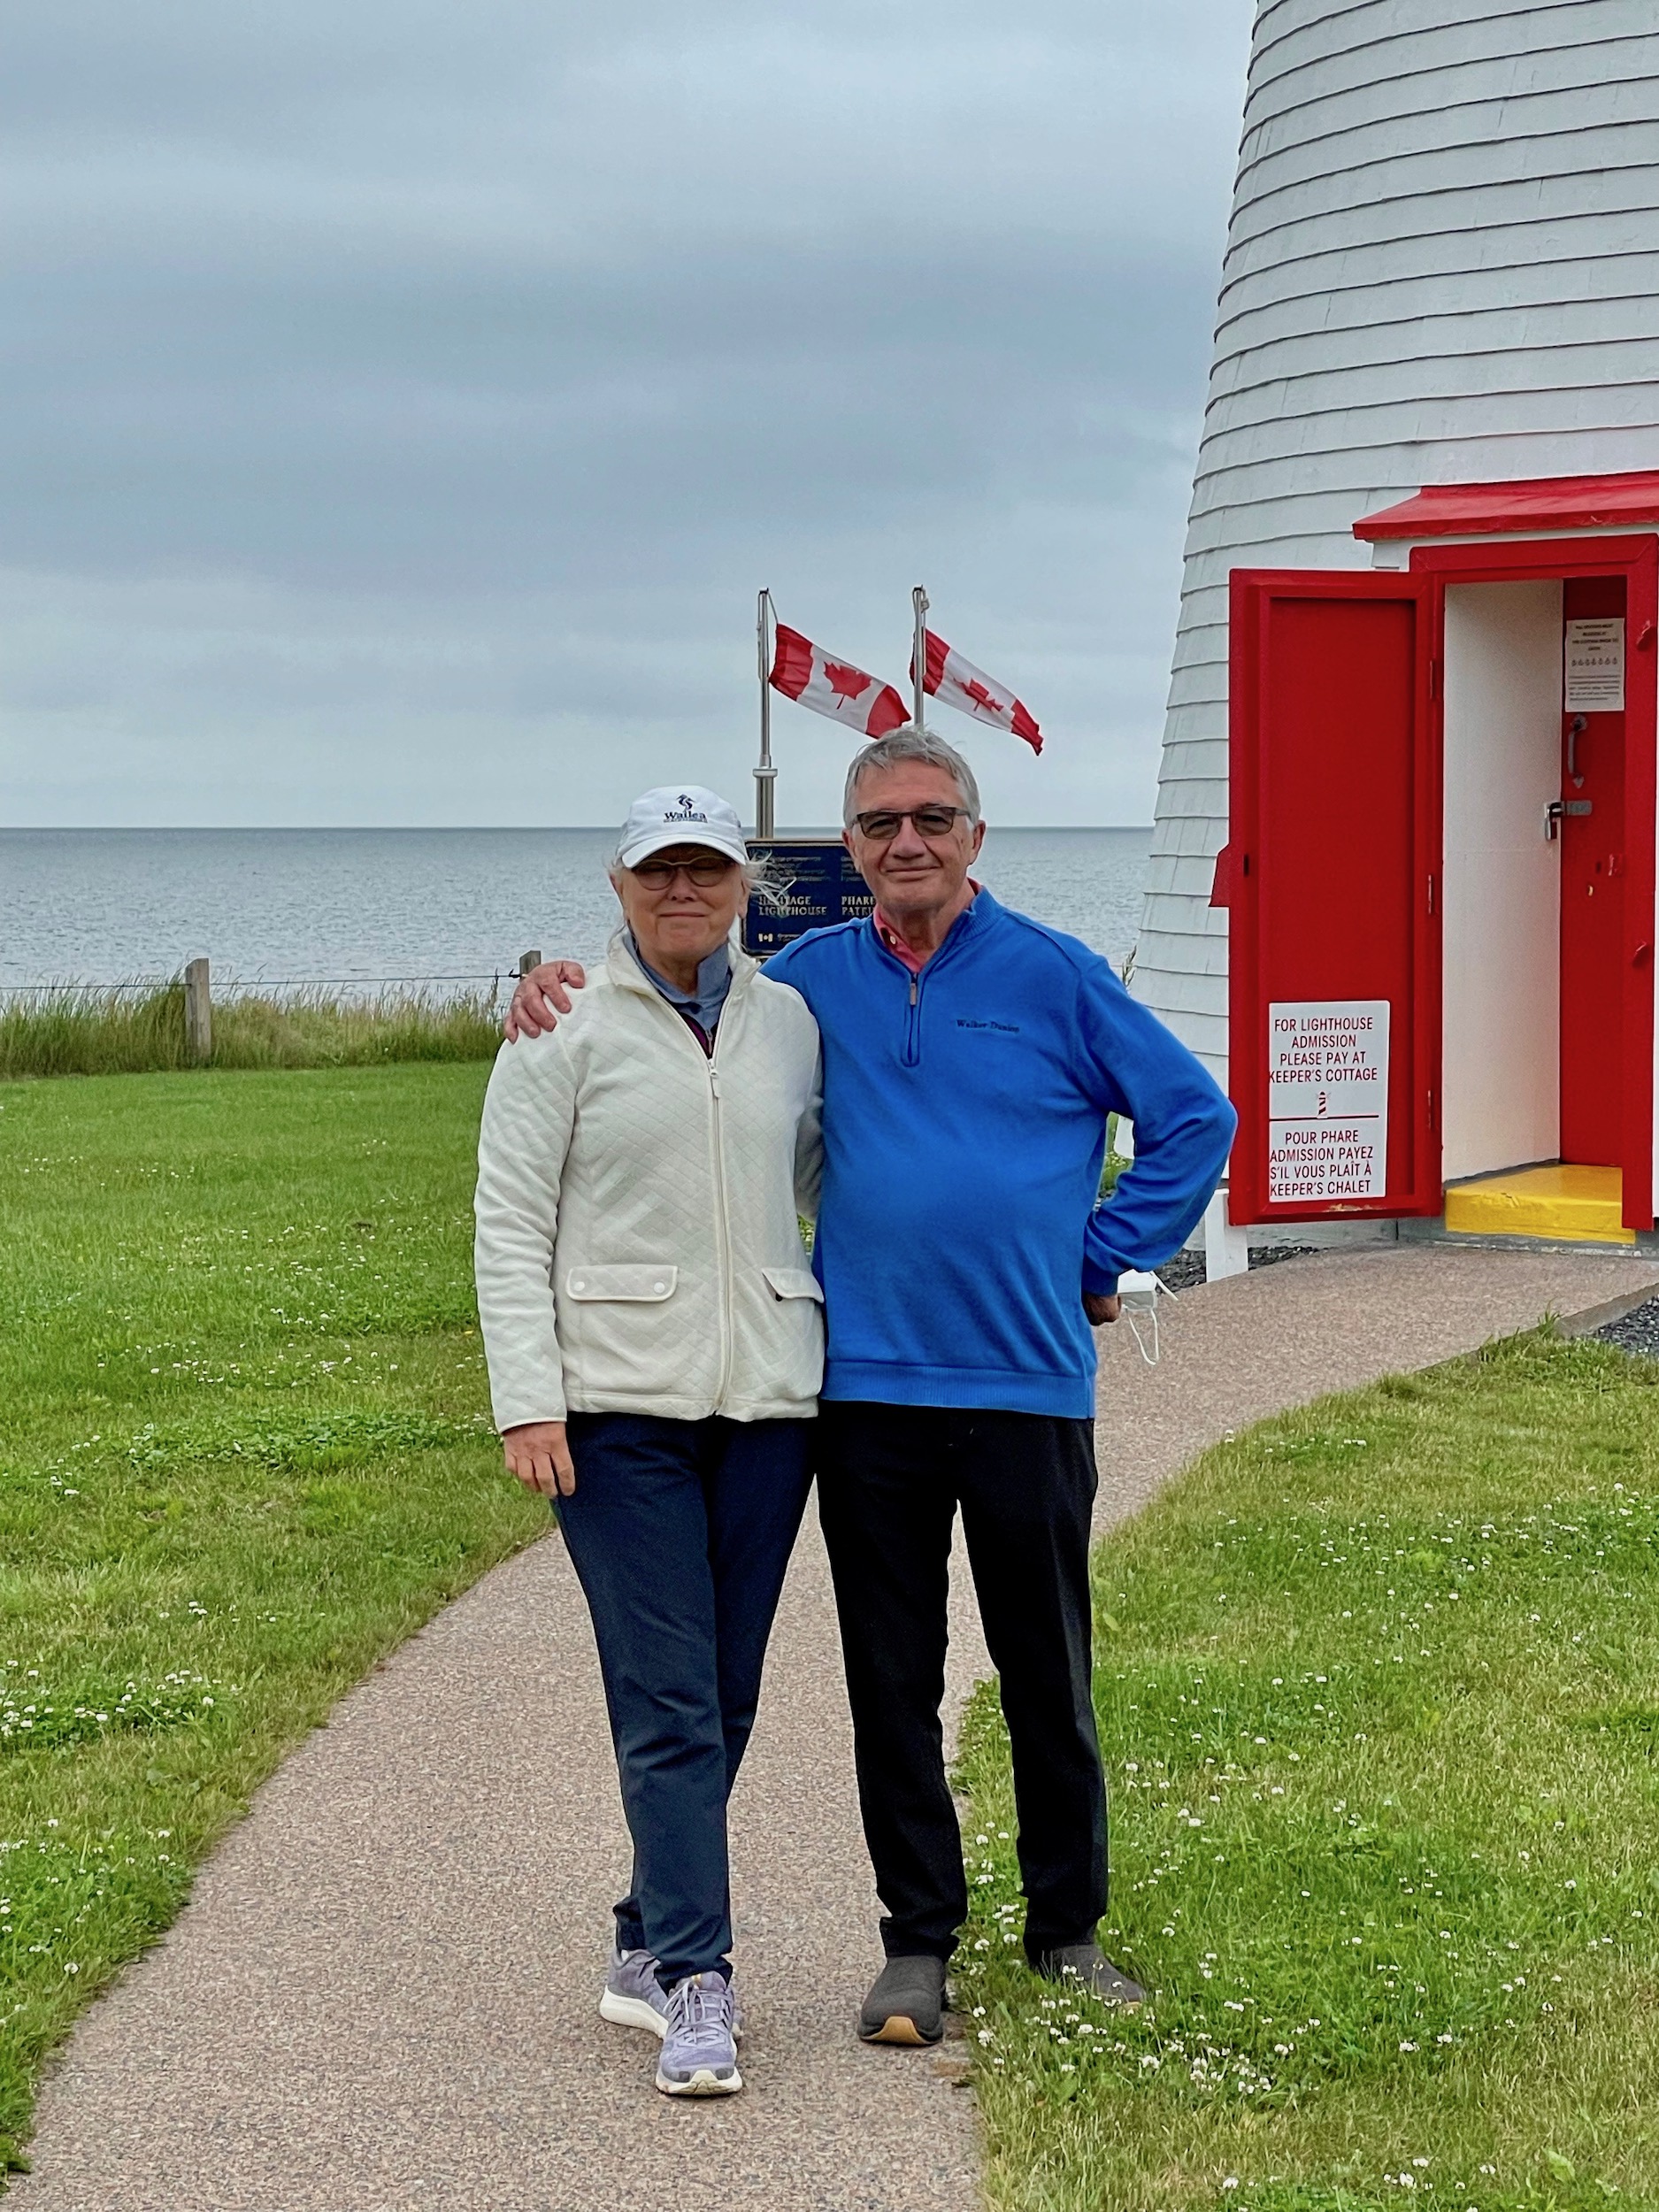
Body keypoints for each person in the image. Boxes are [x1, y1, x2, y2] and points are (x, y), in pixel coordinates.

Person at [507, 729, 1236, 2047]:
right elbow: (682, 1004)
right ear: (847, 847)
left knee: (1045, 1673)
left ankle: (1067, 1931)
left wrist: (1108, 1254)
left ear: (974, 838)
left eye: (934, 818)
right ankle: (916, 1944)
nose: (909, 841)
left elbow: (1196, 1117)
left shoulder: (1059, 977)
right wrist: (550, 982)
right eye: (882, 822)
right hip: (865, 1396)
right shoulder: (807, 990)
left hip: (1027, 1386)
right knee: (890, 1680)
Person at [474, 784, 824, 2099]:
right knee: (671, 1696)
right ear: (618, 887)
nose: (685, 890)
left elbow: (808, 1180)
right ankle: (697, 1979)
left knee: (724, 1693)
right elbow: (510, 1220)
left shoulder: (793, 1021)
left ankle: (639, 1935)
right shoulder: (560, 1024)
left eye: (708, 869)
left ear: (744, 886)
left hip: (769, 1407)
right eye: (658, 871)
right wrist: (529, 1395)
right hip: (616, 1413)